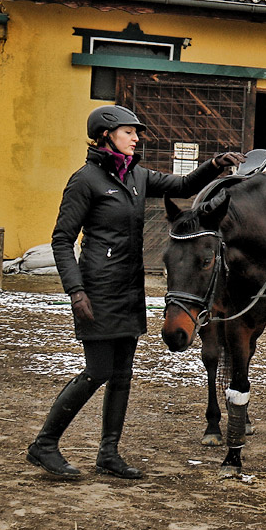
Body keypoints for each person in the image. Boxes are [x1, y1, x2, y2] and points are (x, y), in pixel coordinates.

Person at [27, 105, 244, 479]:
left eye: (136, 133)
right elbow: (62, 240)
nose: (137, 137)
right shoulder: (86, 180)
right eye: (129, 132)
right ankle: (44, 444)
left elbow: (183, 187)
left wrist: (215, 164)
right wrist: (76, 291)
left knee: (123, 374)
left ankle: (108, 453)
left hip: (130, 289)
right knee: (97, 371)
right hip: (96, 290)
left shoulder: (137, 177)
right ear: (106, 135)